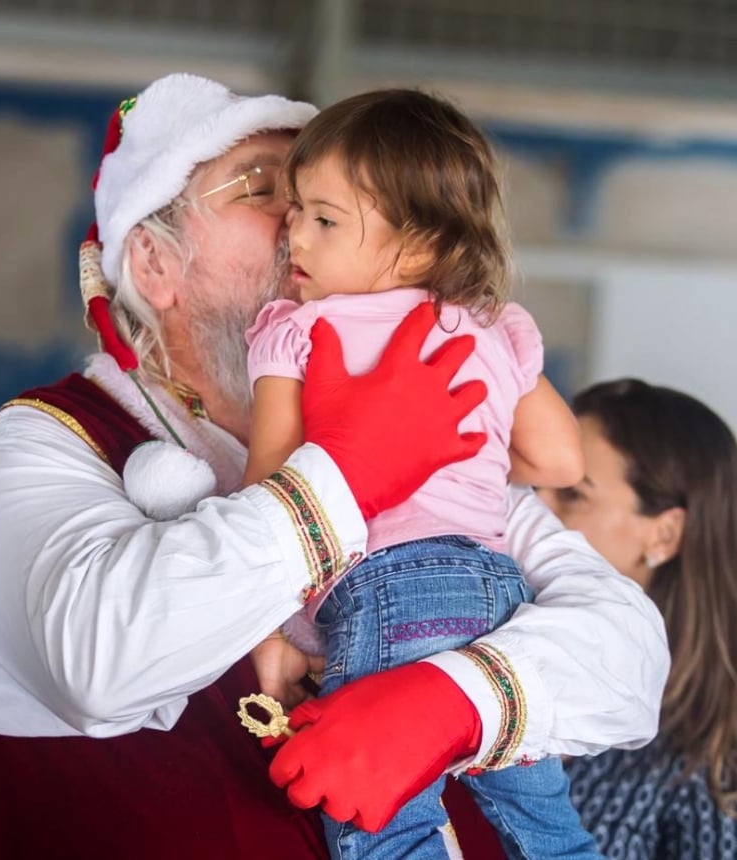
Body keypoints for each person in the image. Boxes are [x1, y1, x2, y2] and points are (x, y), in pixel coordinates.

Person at [0, 73, 669, 860]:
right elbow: (98, 664)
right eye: (264, 191)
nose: (300, 225)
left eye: (328, 204)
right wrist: (346, 474)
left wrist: (462, 699)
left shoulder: (436, 429)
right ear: (153, 262)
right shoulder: (47, 439)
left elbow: (628, 656)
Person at [242, 88, 595, 859]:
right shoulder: (492, 324)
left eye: (324, 219)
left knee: (382, 821)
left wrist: (278, 630)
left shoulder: (295, 330)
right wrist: (466, 449)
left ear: (420, 247)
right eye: (295, 209)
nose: (293, 233)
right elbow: (560, 459)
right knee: (545, 826)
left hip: (383, 593)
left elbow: (270, 494)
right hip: (496, 593)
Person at [537, 378, 737, 858]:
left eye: (573, 495)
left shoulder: (710, 770)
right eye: (530, 485)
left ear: (664, 535)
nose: (532, 509)